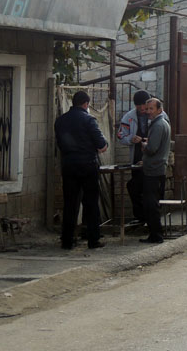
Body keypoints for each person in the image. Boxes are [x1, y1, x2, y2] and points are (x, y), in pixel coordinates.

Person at [54, 90, 108, 250]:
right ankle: (93, 240)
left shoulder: (60, 121)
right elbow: (102, 145)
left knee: (70, 203)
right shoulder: (89, 120)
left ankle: (67, 240)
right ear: (86, 104)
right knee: (91, 203)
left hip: (69, 165)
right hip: (88, 165)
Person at [117, 89, 152, 225]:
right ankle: (140, 217)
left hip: (153, 159)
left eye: (144, 107)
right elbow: (121, 135)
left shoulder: (158, 115)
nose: (142, 110)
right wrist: (131, 139)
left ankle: (150, 218)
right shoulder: (129, 117)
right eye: (139, 107)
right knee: (134, 187)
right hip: (136, 159)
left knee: (148, 188)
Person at [139, 97, 171, 244]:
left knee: (151, 204)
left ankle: (156, 235)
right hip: (157, 168)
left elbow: (152, 149)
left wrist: (144, 145)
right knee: (152, 203)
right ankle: (155, 234)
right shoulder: (160, 123)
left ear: (159, 109)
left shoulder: (158, 125)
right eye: (147, 109)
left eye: (151, 109)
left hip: (154, 169)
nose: (148, 112)